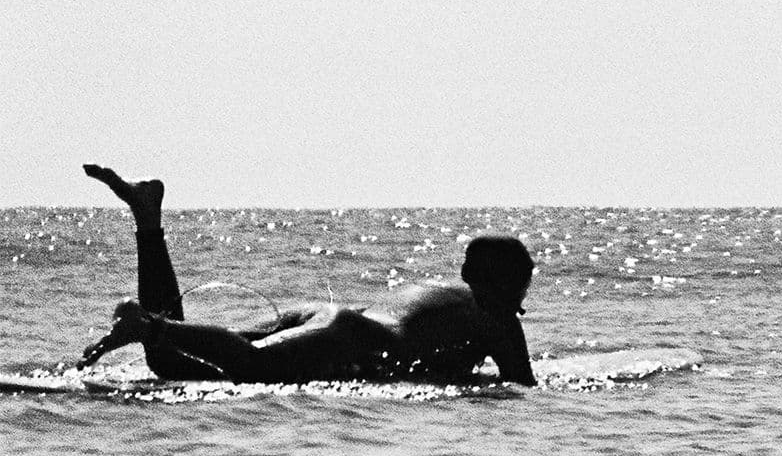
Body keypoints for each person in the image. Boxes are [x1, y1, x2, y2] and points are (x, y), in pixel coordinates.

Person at [78, 164, 536, 386]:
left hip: (325, 316)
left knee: (170, 362)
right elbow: (523, 388)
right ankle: (148, 323)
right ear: (491, 282)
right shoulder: (497, 320)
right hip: (345, 333)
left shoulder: (456, 294)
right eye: (517, 282)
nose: (522, 294)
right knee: (250, 366)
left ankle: (148, 221)